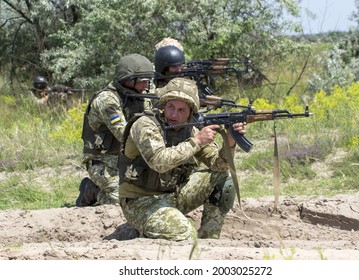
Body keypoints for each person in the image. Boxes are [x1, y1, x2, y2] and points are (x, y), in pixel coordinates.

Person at [118, 77, 246, 240]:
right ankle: (139, 230)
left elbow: (218, 165)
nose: (173, 114)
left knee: (222, 179)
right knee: (185, 233)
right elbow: (159, 162)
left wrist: (230, 142)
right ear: (163, 105)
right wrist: (197, 141)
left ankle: (209, 239)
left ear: (190, 113)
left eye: (181, 110)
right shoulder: (145, 124)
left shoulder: (189, 130)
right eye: (171, 107)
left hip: (172, 195)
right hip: (141, 202)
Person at [76, 54, 154, 207]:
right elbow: (124, 134)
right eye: (143, 81)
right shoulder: (107, 100)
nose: (146, 85)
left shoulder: (139, 96)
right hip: (104, 163)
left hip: (128, 161)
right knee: (122, 202)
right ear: (129, 80)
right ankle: (91, 190)